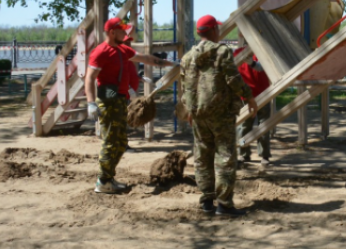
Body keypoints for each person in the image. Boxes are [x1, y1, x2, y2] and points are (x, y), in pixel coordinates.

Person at [85, 17, 177, 194]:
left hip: (118, 100)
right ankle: (103, 181)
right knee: (111, 142)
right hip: (107, 100)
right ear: (112, 32)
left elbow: (146, 58)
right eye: (122, 30)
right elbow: (89, 78)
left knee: (120, 143)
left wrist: (170, 64)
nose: (125, 33)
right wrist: (91, 103)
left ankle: (108, 178)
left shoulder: (122, 49)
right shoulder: (101, 52)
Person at [181, 15, 257, 216]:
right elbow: (232, 79)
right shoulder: (222, 52)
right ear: (214, 30)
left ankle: (207, 200)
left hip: (198, 114)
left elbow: (185, 86)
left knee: (202, 156)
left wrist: (189, 109)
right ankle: (224, 204)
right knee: (225, 156)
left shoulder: (187, 57)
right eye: (218, 29)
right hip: (221, 113)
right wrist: (248, 97)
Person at [234, 47, 272, 167]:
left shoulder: (260, 51)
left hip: (260, 95)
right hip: (248, 96)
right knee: (246, 128)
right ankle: (245, 152)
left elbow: (262, 67)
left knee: (260, 127)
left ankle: (259, 154)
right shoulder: (240, 53)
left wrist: (252, 63)